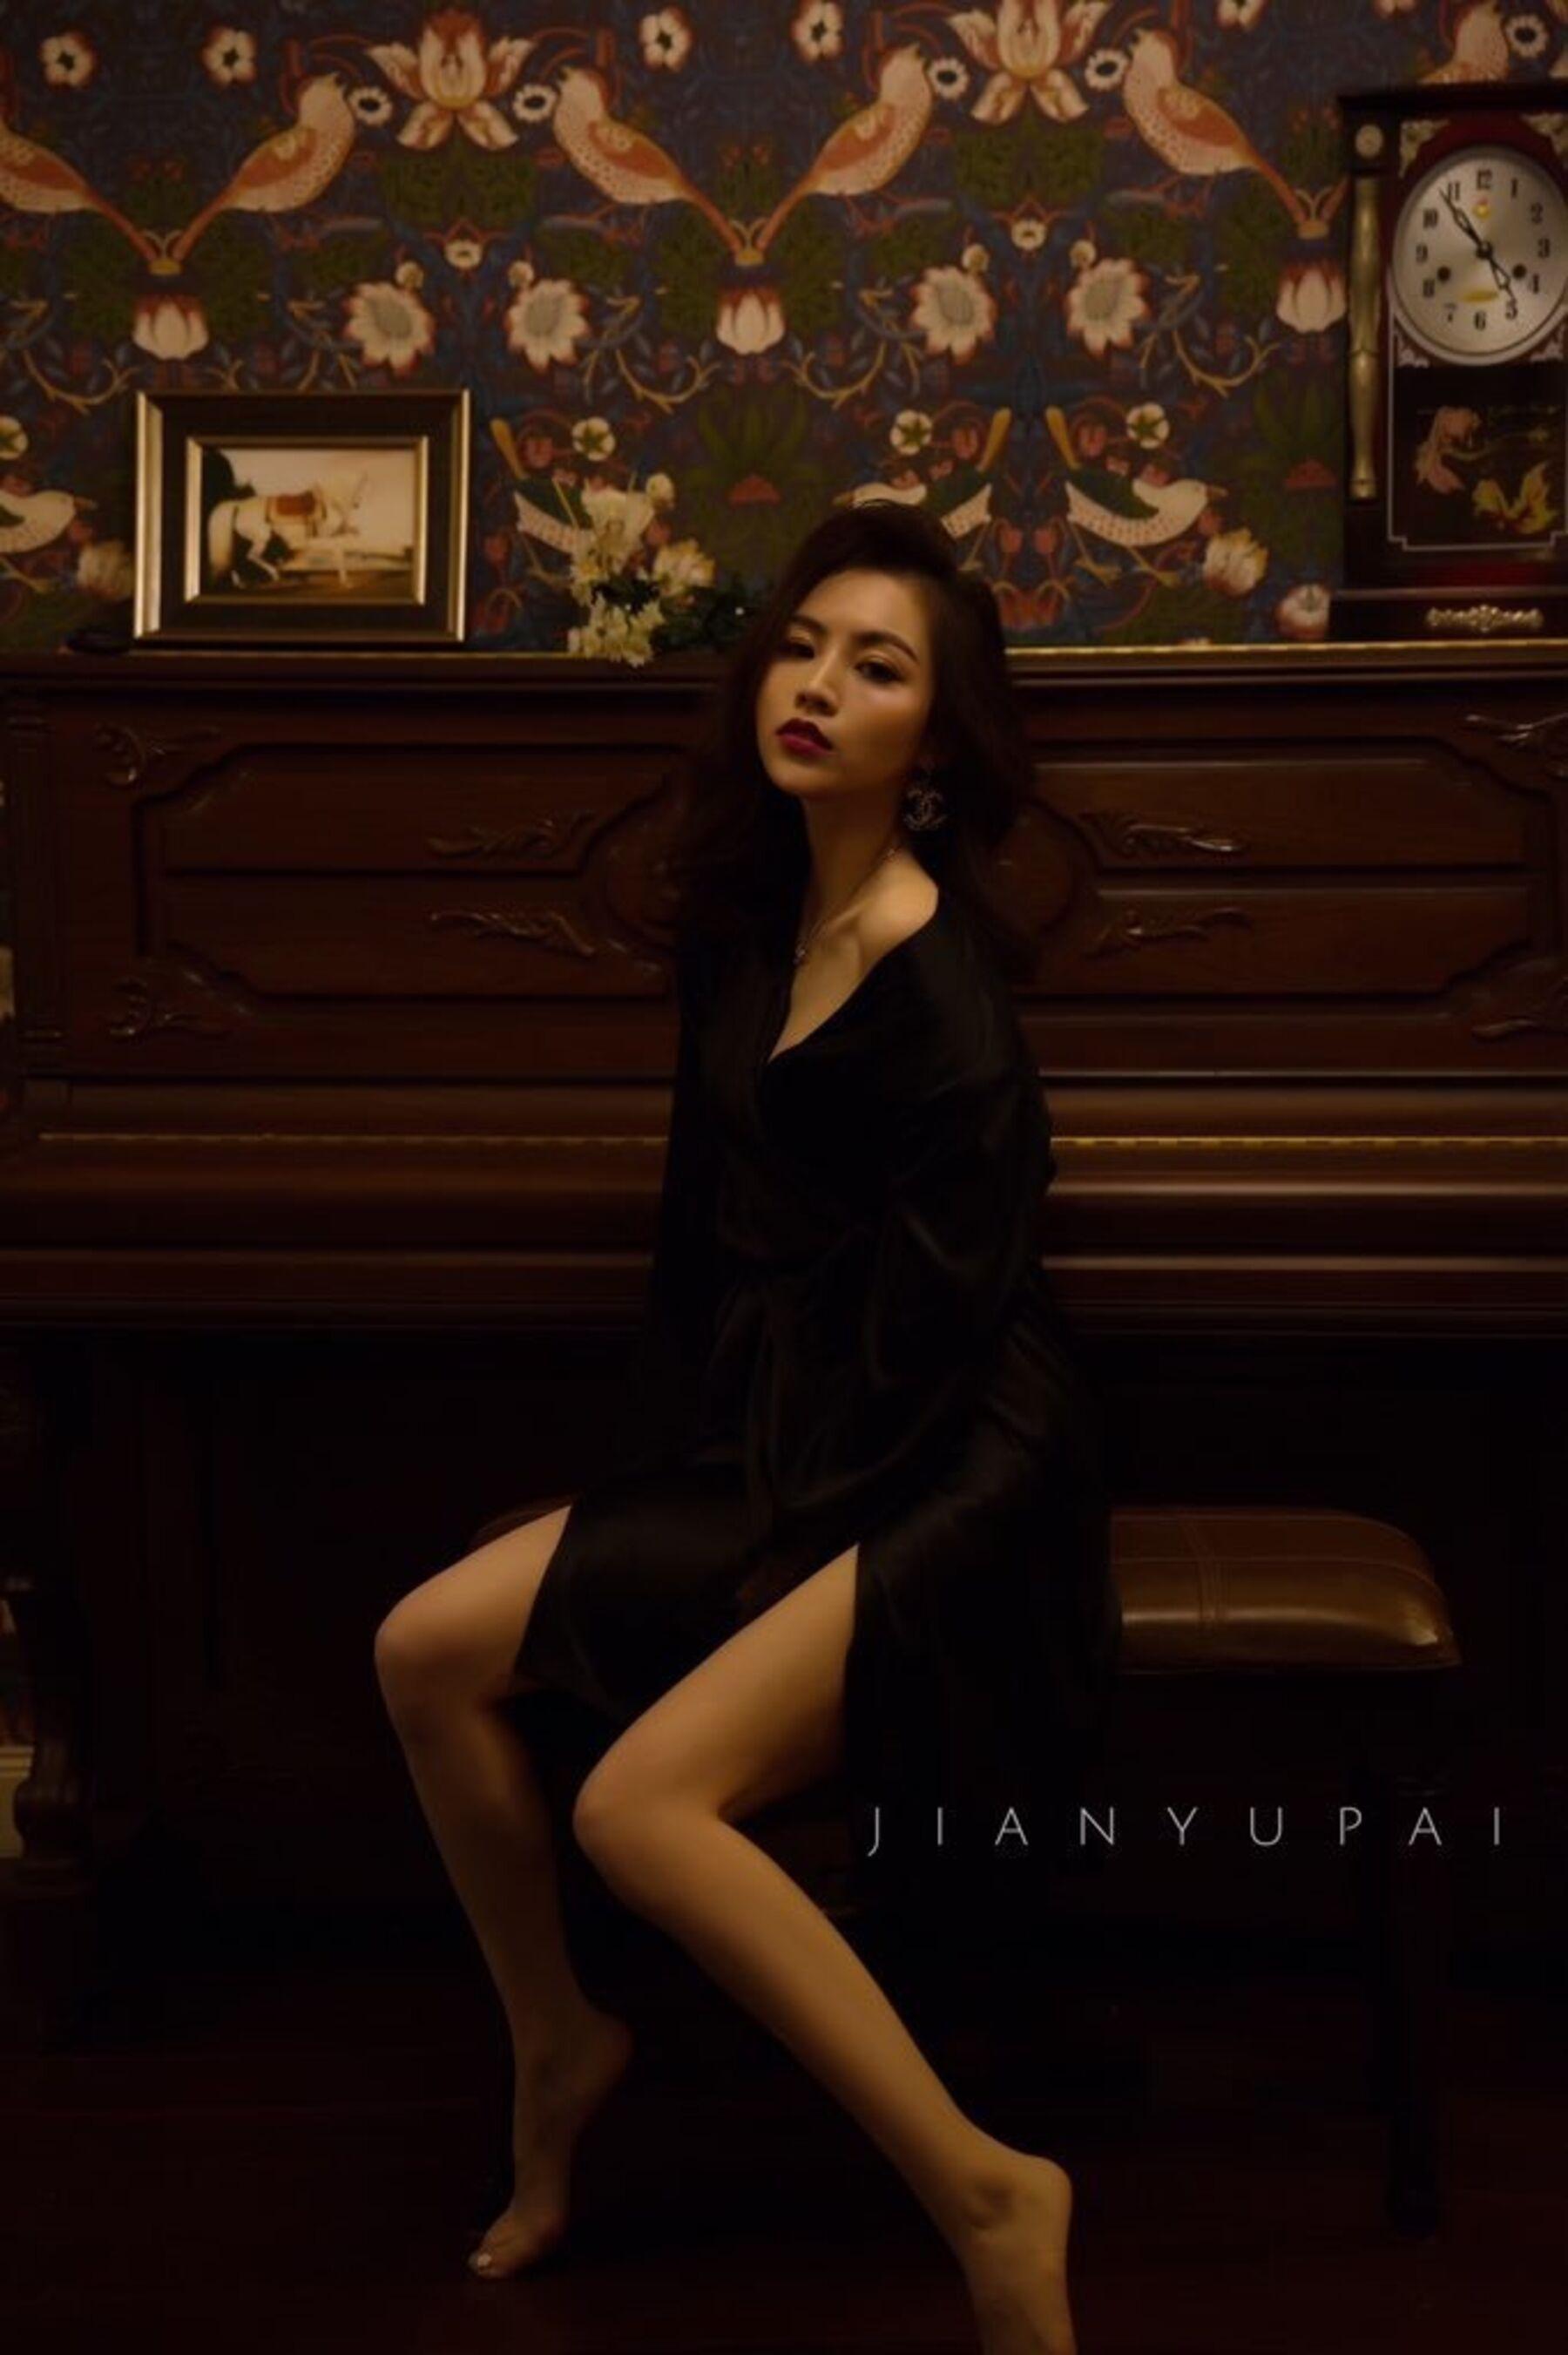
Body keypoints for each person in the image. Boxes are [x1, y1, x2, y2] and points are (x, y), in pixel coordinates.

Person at [373, 500, 1120, 2355]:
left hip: (953, 1467)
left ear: (933, 740)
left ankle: (990, 2189)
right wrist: (648, 1496)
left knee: (639, 1805)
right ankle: (560, 2035)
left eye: (878, 667)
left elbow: (939, 1344)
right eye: (803, 646)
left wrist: (745, 1556)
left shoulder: (945, 995)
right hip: (800, 1429)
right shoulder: (746, 920)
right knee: (425, 1647)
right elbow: (698, 1245)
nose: (820, 685)